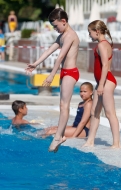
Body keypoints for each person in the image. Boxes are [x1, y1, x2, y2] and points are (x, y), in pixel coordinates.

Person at [25, 8, 80, 152]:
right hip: (65, 72)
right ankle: (59, 135)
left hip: (71, 72)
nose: (55, 29)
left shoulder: (70, 35)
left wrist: (51, 75)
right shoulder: (62, 35)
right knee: (62, 104)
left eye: (55, 26)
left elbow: (61, 57)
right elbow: (49, 50)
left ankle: (59, 136)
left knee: (64, 105)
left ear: (64, 21)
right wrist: (35, 64)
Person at [83, 20, 120, 148]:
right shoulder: (102, 44)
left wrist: (101, 85)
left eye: (90, 32)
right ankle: (90, 141)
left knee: (110, 113)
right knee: (94, 112)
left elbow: (105, 66)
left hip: (106, 82)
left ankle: (116, 143)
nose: (89, 35)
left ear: (97, 32)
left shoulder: (102, 45)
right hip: (102, 81)